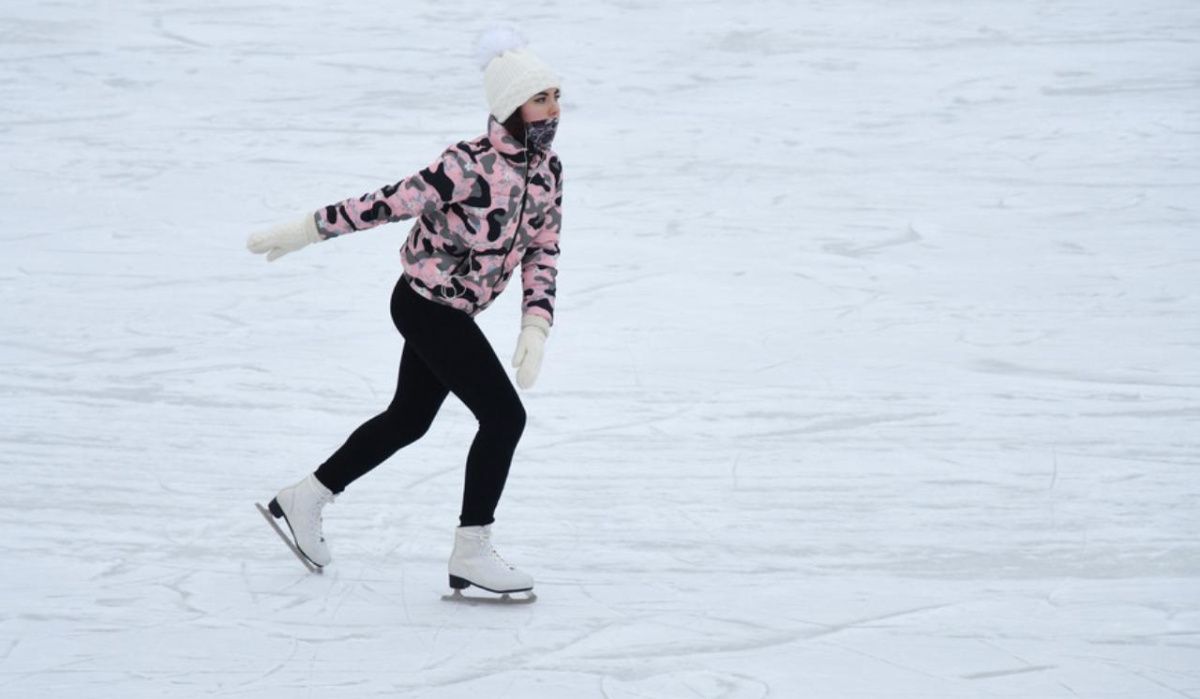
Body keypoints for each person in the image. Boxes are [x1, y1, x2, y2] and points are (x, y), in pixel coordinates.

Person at [245, 28, 563, 596]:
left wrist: (536, 325)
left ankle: (304, 499)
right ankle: (472, 548)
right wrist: (306, 230)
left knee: (408, 420)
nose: (553, 109)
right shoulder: (467, 165)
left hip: (456, 311)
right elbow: (385, 203)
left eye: (556, 95)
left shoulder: (547, 172)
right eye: (541, 97)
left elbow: (543, 247)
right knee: (504, 418)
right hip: (424, 305)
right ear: (510, 106)